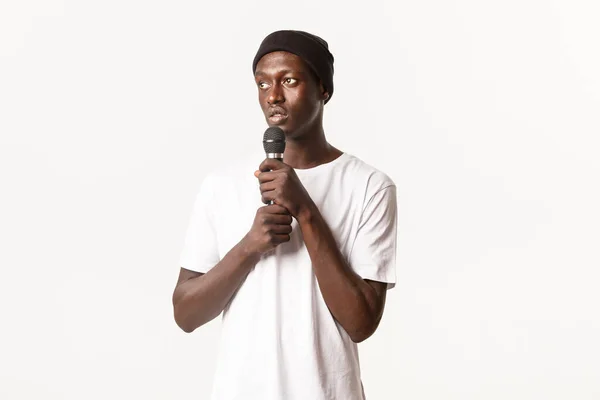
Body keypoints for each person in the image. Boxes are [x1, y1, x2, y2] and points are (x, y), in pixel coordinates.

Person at [173, 30, 397, 400]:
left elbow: (361, 322)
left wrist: (305, 211)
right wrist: (248, 248)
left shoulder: (369, 186)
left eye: (289, 81)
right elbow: (185, 314)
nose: (273, 95)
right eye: (263, 83)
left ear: (323, 89)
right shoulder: (221, 185)